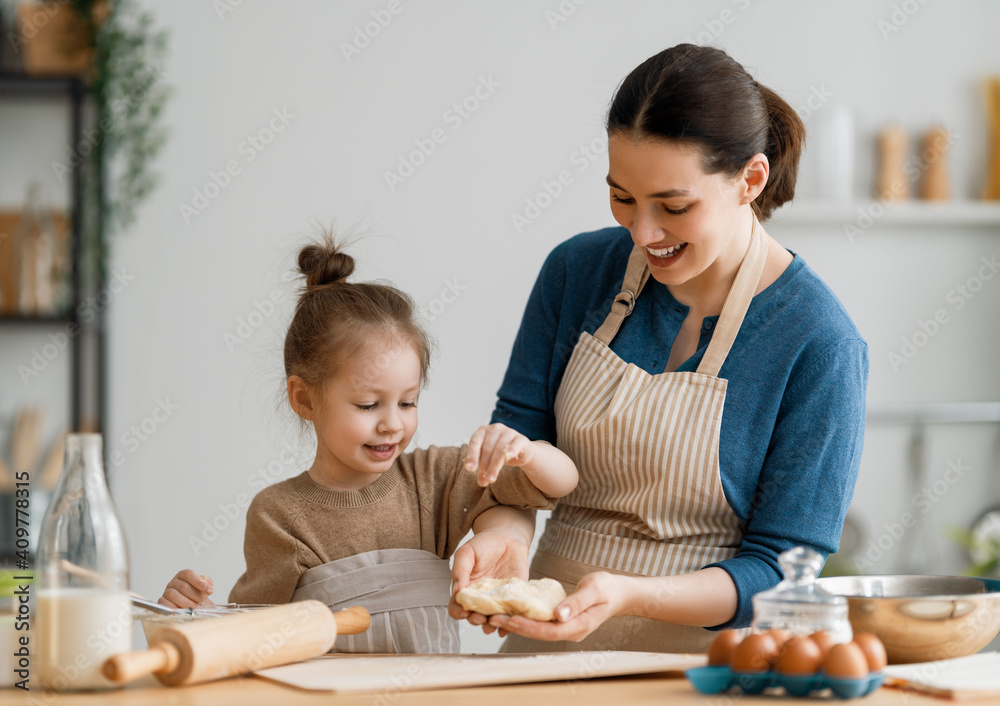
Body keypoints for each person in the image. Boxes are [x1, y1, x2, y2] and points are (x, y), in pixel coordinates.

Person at [450, 43, 869, 653]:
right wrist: (503, 533)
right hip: (543, 653)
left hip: (703, 667)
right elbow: (517, 443)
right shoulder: (576, 273)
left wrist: (632, 594)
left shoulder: (819, 343)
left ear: (751, 179)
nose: (642, 233)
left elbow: (781, 570)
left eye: (674, 207)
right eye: (623, 197)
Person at [158, 235, 578, 653]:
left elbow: (561, 483)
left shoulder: (433, 479)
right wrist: (193, 613)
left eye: (408, 402)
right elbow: (254, 637)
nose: (392, 424)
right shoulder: (279, 515)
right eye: (368, 405)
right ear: (304, 398)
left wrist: (527, 452)